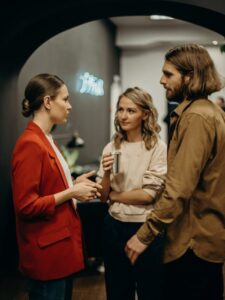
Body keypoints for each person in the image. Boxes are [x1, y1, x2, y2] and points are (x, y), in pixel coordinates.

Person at [125, 44, 225, 300]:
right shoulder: (205, 112)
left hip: (192, 245)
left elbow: (180, 187)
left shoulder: (197, 118)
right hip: (199, 241)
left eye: (168, 74)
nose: (161, 80)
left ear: (189, 76)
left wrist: (144, 235)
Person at [11, 73, 102, 300]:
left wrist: (73, 183)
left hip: (59, 252)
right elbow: (26, 205)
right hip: (47, 257)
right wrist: (71, 191)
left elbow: (48, 188)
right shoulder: (30, 144)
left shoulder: (46, 138)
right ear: (48, 102)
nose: (70, 106)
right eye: (65, 99)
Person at [97, 87, 167, 300]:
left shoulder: (157, 147)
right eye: (120, 110)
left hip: (146, 229)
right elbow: (102, 195)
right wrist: (107, 174)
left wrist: (115, 196)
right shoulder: (111, 146)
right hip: (114, 227)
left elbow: (148, 196)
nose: (123, 116)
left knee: (150, 291)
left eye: (131, 110)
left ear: (145, 114)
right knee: (117, 292)